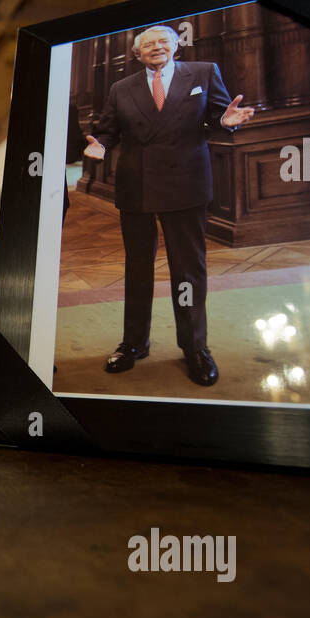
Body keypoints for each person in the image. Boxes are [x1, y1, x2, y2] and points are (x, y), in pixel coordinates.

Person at [83, 24, 254, 386]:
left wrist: (226, 121)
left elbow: (219, 116)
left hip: (186, 184)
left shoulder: (204, 73)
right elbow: (108, 130)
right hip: (137, 186)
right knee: (138, 268)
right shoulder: (120, 88)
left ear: (176, 47)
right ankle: (133, 344)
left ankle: (194, 348)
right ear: (137, 54)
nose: (156, 47)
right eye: (148, 45)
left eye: (163, 42)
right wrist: (99, 144)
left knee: (188, 271)